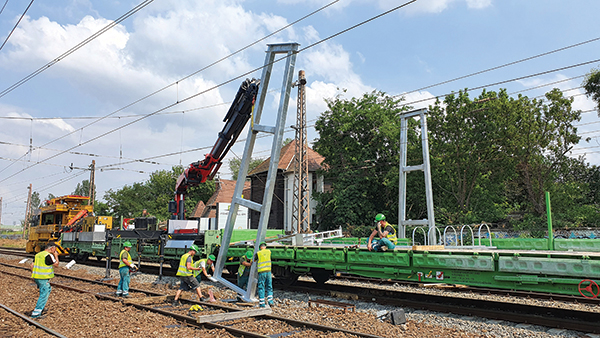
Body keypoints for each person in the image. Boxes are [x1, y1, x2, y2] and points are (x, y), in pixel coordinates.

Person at [30, 242, 59, 318]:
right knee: (44, 294)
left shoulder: (38, 255)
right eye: (55, 248)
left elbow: (32, 265)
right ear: (52, 248)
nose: (55, 250)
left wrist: (34, 275)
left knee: (47, 290)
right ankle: (36, 313)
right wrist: (56, 256)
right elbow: (56, 264)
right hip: (43, 278)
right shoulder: (48, 255)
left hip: (37, 277)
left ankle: (40, 308)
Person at [255, 242, 273, 308]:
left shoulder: (258, 253)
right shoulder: (269, 251)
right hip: (268, 271)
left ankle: (262, 303)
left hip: (262, 272)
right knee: (269, 286)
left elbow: (254, 260)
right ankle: (270, 301)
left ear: (260, 247)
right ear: (265, 247)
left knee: (261, 287)